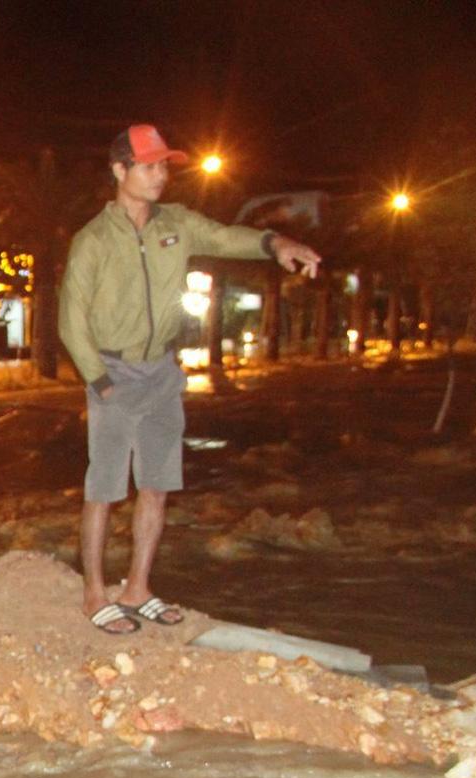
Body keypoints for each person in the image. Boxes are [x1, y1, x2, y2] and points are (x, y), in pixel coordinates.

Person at [59, 124, 321, 635]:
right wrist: (100, 381)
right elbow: (71, 321)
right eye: (149, 165)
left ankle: (137, 587)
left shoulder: (174, 224)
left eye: (164, 166)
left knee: (156, 487)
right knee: (105, 490)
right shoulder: (91, 240)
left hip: (162, 372)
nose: (160, 175)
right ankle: (94, 594)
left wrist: (276, 242)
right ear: (119, 170)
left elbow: (226, 237)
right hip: (113, 371)